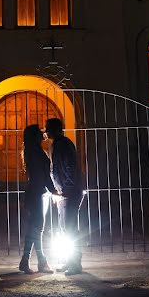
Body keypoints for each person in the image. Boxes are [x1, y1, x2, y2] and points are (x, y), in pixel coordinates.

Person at [46, 116, 83, 275]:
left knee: (70, 228)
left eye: (48, 128)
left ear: (55, 130)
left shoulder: (64, 145)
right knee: (65, 228)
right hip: (64, 193)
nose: (46, 132)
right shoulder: (59, 144)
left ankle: (75, 264)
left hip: (69, 193)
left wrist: (66, 190)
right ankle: (70, 262)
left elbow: (70, 169)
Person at [19, 124, 56, 274]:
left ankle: (31, 260)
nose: (44, 132)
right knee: (37, 227)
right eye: (39, 131)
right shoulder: (36, 153)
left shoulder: (32, 152)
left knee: (35, 228)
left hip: (36, 192)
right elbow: (43, 175)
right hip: (38, 193)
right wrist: (54, 190)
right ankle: (37, 261)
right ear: (35, 136)